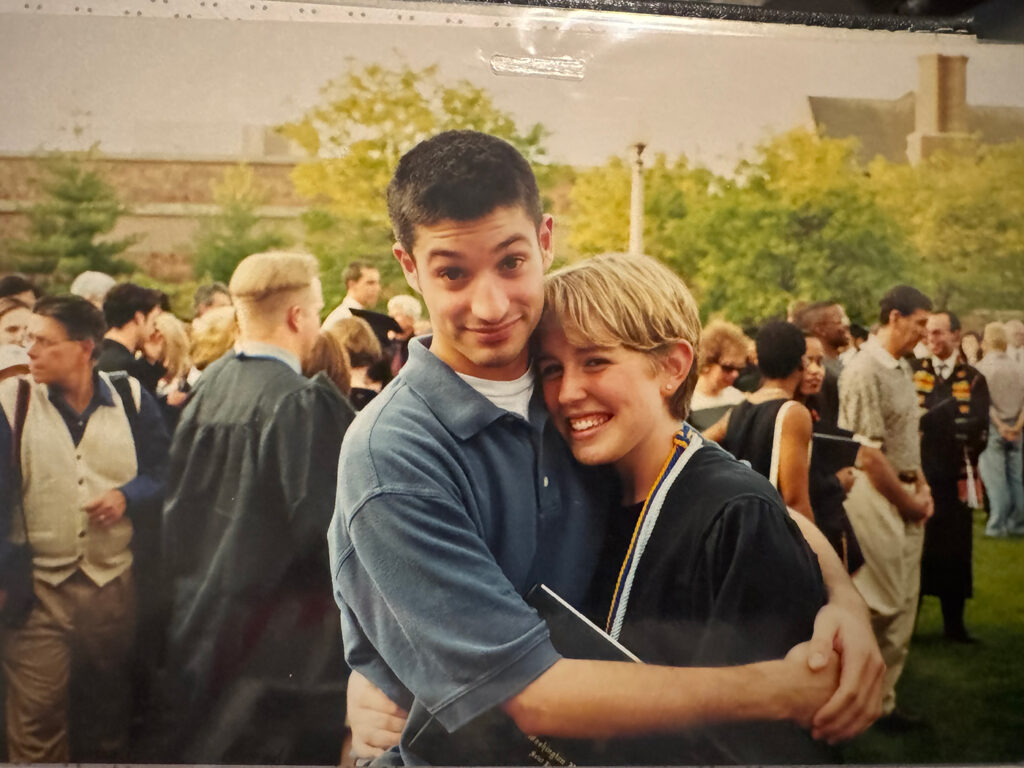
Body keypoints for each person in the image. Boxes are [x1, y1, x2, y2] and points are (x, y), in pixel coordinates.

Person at [332, 131, 883, 766]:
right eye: (452, 272)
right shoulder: (393, 455)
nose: (489, 306)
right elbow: (530, 695)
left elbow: (725, 483)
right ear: (409, 266)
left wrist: (842, 600)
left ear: (545, 241)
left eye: (510, 262)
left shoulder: (564, 397)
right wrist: (779, 690)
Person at [536, 255, 834, 763]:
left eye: (595, 361)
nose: (567, 392)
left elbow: (769, 740)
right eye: (550, 369)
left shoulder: (737, 517)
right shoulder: (575, 493)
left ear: (672, 366)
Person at [153, 251, 356, 764]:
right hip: (268, 634)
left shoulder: (210, 385)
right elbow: (325, 534)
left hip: (197, 616)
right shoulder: (299, 403)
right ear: (298, 316)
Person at [0, 295, 169, 762]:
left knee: (105, 718)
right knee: (34, 726)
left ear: (84, 348)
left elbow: (164, 471)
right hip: (37, 593)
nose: (28, 349)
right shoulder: (11, 402)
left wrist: (126, 495)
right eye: (26, 337)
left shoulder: (132, 399)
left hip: (112, 588)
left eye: (43, 341)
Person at [838, 284, 935, 729]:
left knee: (905, 603)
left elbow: (905, 439)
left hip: (907, 491)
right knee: (880, 601)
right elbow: (868, 456)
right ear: (894, 318)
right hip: (877, 495)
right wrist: (909, 502)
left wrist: (923, 488)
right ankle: (850, 694)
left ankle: (883, 704)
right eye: (918, 325)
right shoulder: (863, 371)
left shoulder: (899, 367)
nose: (924, 334)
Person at [911, 311, 989, 642]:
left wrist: (950, 429)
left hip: (955, 475)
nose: (933, 339)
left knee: (955, 552)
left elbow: (980, 424)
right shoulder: (914, 374)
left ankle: (953, 626)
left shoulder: (973, 378)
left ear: (956, 336)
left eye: (940, 333)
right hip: (920, 475)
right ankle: (907, 626)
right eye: (929, 333)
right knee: (916, 551)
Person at [709, 321, 816, 521]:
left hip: (742, 524)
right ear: (802, 361)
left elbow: (698, 443)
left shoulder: (738, 410)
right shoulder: (792, 413)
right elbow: (795, 501)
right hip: (773, 527)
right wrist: (811, 550)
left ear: (758, 361)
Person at [975, 322, 1024, 538]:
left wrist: (1001, 426)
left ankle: (997, 525)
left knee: (996, 481)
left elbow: (984, 404)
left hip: (994, 429)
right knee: (1016, 479)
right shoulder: (1018, 367)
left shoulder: (982, 368)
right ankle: (1017, 523)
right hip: (1017, 428)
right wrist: (1017, 426)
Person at [96, 283, 166, 393]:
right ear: (139, 318)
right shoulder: (124, 367)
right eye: (153, 322)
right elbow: (142, 408)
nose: (154, 331)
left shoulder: (95, 354)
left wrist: (150, 361)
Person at [688, 320, 748, 430]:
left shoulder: (737, 398)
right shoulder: (687, 403)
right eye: (728, 368)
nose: (735, 374)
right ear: (707, 363)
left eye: (739, 369)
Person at [322, 260, 382, 327]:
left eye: (377, 283)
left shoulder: (358, 316)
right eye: (370, 283)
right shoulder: (343, 318)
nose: (377, 288)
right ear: (352, 285)